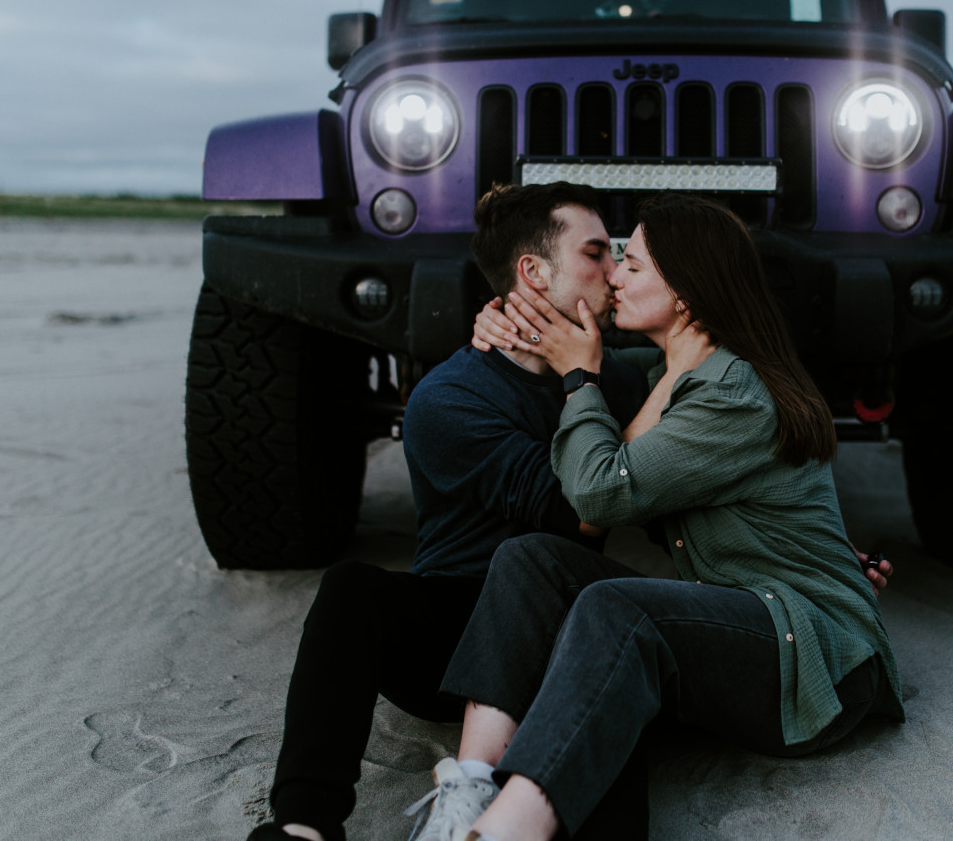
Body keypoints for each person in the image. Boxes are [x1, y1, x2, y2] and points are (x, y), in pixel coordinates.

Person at [426, 194, 905, 841]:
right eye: (611, 258)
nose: (614, 275)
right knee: (531, 555)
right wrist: (505, 324)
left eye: (634, 264)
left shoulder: (728, 393)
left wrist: (578, 378)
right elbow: (601, 396)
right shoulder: (672, 375)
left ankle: (507, 832)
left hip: (819, 661)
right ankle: (471, 784)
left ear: (685, 291)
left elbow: (598, 492)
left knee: (617, 607)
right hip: (749, 619)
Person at [247, 183, 653, 841]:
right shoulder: (449, 398)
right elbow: (576, 512)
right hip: (453, 636)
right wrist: (583, 377)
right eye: (595, 253)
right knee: (352, 588)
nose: (613, 271)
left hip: (560, 630)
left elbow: (684, 372)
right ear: (532, 271)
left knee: (608, 645)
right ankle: (301, 826)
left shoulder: (615, 376)